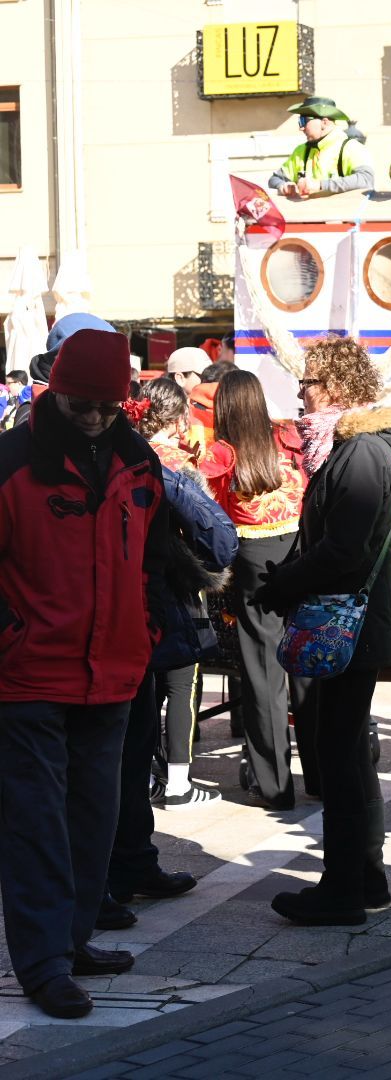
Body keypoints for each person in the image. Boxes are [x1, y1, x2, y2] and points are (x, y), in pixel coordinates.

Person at [0, 326, 167, 1019]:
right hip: (28, 675)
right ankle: (42, 966)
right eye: (82, 404)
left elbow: (156, 559)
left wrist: (149, 629)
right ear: (57, 391)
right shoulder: (11, 461)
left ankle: (71, 942)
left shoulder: (139, 462)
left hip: (114, 673)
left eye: (108, 406)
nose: (95, 417)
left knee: (95, 820)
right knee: (36, 825)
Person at [253, 337, 391, 925]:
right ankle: (364, 878)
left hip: (352, 625)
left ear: (339, 386)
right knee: (344, 751)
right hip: (350, 621)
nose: (300, 392)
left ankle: (344, 887)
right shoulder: (346, 448)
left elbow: (344, 549)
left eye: (309, 382)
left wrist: (285, 584)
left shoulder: (360, 452)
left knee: (340, 753)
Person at [104, 381, 238, 931]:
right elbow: (221, 541)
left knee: (122, 754)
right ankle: (115, 875)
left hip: (105, 630)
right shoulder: (151, 464)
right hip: (130, 624)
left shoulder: (34, 454)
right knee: (118, 757)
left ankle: (130, 865)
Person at [209, 370, 307, 810]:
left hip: (251, 558)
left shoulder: (221, 453)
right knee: (307, 663)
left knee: (264, 673)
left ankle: (274, 788)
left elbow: (207, 513)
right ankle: (323, 775)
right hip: (301, 551)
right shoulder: (289, 437)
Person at [268, 97, 374, 198]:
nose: (301, 128)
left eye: (304, 121)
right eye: (300, 121)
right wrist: (283, 186)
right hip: (308, 215)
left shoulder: (351, 147)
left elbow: (366, 179)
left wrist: (320, 185)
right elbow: (275, 179)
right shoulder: (301, 150)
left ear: (324, 122)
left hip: (343, 215)